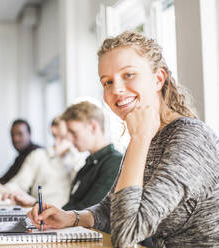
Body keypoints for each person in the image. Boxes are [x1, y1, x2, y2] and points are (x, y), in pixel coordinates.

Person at [28, 31, 219, 248]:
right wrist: (72, 217)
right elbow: (112, 209)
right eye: (107, 82)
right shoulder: (148, 135)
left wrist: (139, 139)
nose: (116, 89)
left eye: (128, 74)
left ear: (158, 79)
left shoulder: (190, 139)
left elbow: (126, 235)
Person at [1, 117, 85, 207]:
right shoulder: (38, 155)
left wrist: (72, 151)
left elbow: (82, 186)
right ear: (53, 130)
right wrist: (3, 190)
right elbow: (18, 184)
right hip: (40, 213)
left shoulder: (78, 158)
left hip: (68, 215)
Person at [60, 101, 122, 210]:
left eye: (73, 132)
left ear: (93, 127)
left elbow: (89, 209)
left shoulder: (114, 163)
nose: (69, 138)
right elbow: (72, 206)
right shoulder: (89, 165)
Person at [0, 119, 41, 185]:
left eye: (20, 134)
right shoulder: (20, 157)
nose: (15, 139)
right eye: (12, 134)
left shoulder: (37, 154)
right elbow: (5, 179)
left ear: (29, 134)